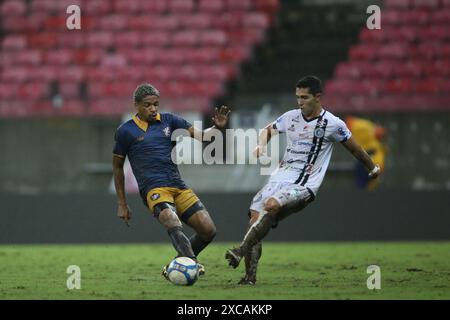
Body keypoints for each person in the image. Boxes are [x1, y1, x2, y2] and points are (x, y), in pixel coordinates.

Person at [225, 76, 380, 285]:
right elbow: (268, 130)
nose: (299, 102)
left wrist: (372, 167)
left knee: (271, 205)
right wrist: (261, 145)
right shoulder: (291, 117)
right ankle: (249, 278)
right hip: (278, 179)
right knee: (255, 220)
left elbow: (355, 148)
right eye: (297, 97)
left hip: (304, 185)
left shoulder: (333, 124)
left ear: (317, 97)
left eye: (304, 97)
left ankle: (240, 250)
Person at [112, 83, 231, 279]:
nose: (153, 108)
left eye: (156, 104)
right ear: (136, 105)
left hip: (178, 186)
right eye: (148, 105)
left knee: (208, 230)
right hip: (153, 189)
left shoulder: (170, 121)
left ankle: (174, 266)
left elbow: (202, 136)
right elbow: (117, 167)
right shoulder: (125, 131)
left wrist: (216, 128)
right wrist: (122, 203)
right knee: (170, 218)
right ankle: (192, 263)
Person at [345, 116, 386, 190]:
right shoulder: (366, 127)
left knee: (364, 181)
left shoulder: (364, 127)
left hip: (368, 155)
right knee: (362, 181)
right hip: (365, 155)